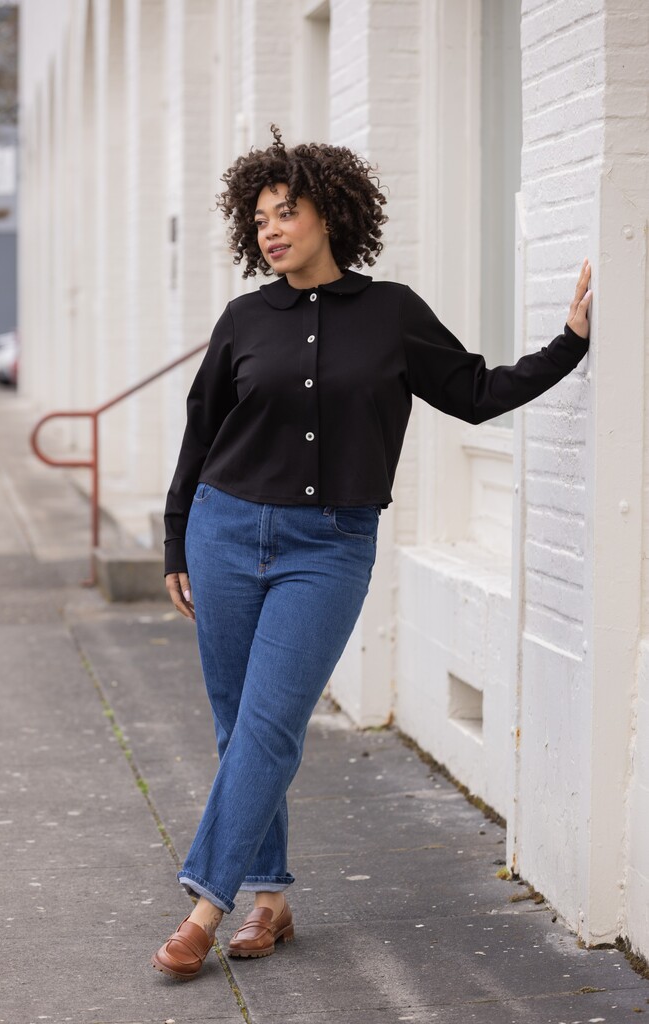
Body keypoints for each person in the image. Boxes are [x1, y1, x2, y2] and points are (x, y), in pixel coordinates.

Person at [151, 125, 592, 981]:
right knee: (240, 729)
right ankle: (270, 900)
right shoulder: (243, 318)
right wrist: (176, 536)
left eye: (287, 211)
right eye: (259, 219)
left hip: (330, 545)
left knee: (271, 723)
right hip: (224, 529)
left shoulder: (392, 313)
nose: (271, 229)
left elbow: (474, 394)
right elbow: (200, 433)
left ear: (330, 212)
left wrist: (569, 343)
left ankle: (206, 904)